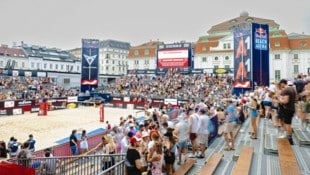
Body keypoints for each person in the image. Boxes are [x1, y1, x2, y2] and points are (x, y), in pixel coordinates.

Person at [277, 80, 297, 145]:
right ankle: (288, 136)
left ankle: (290, 139)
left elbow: (285, 101)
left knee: (287, 124)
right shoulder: (293, 89)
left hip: (287, 109)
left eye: (281, 85)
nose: (280, 86)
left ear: (283, 83)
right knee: (288, 123)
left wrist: (279, 98)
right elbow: (296, 98)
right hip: (292, 108)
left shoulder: (286, 90)